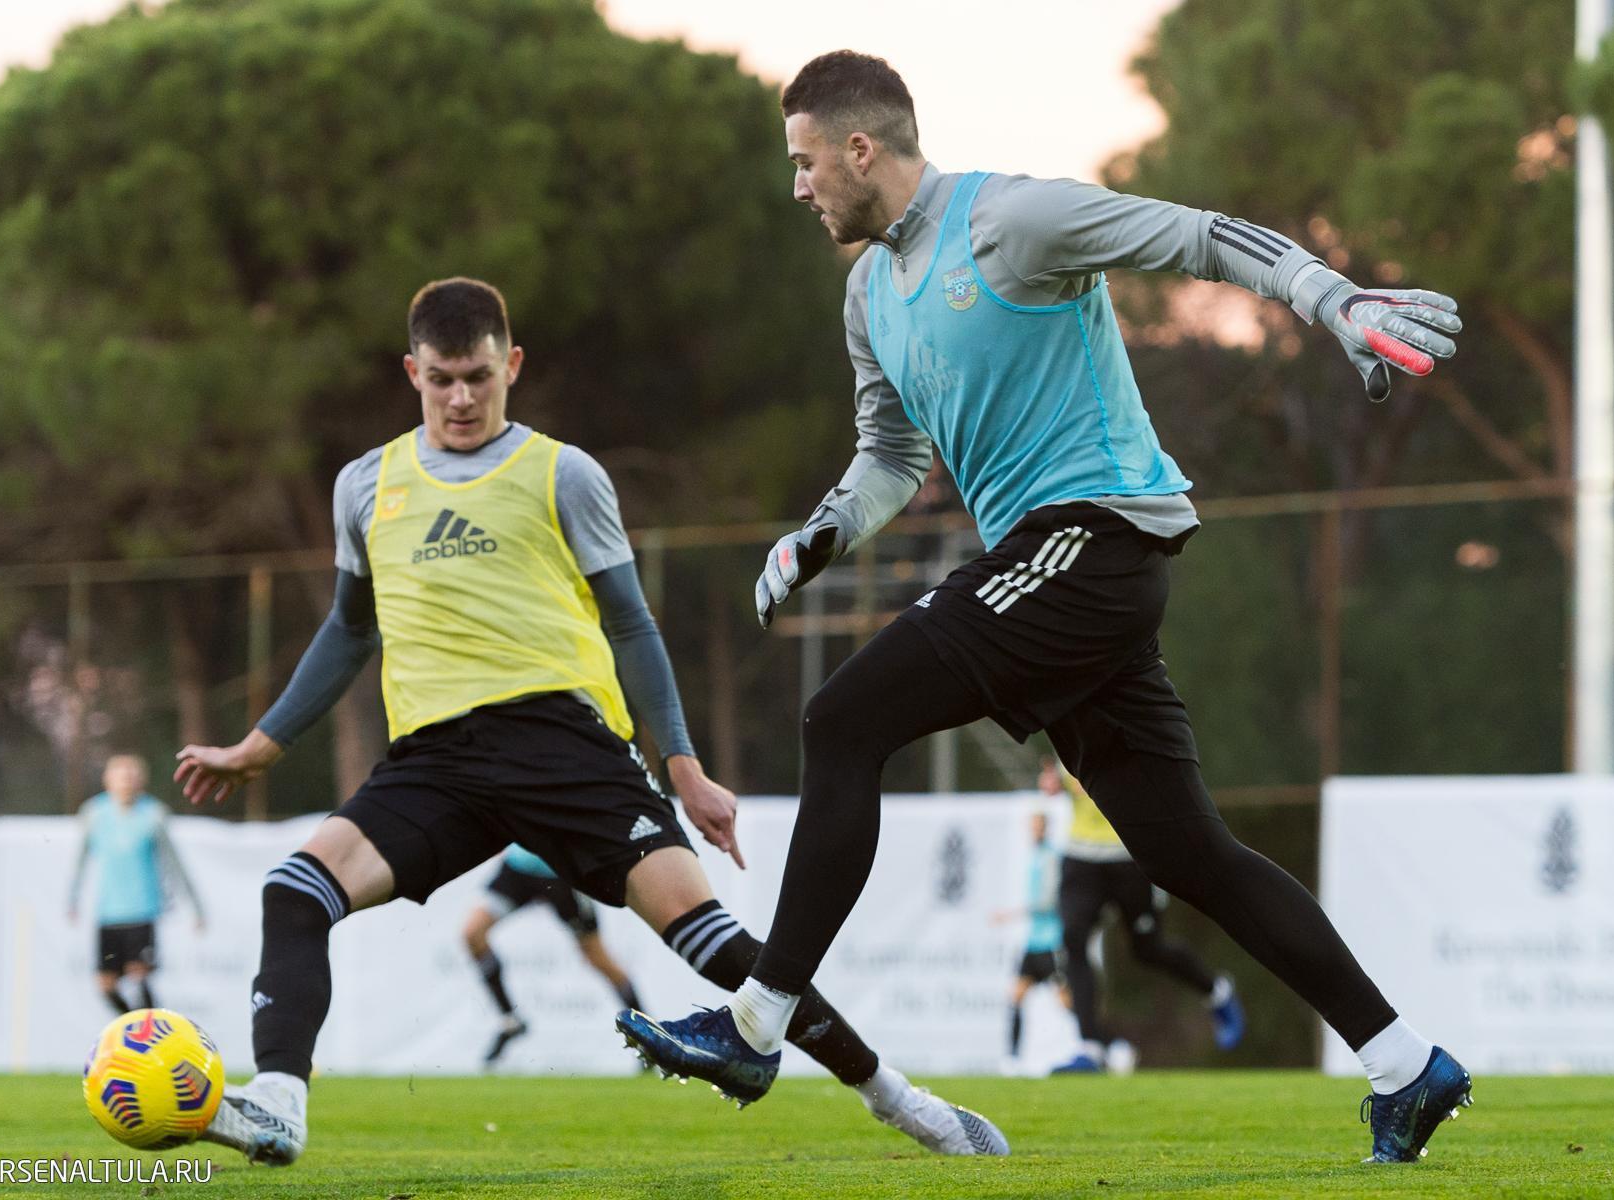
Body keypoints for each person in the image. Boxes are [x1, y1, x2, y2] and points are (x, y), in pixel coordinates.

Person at [622, 52, 1471, 1164]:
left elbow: (1198, 236)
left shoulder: (1010, 221)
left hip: (1095, 538)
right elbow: (891, 454)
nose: (798, 186)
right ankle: (1407, 1065)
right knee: (1188, 854)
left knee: (842, 719)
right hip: (1065, 572)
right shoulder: (868, 294)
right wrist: (818, 535)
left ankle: (754, 1026)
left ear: (860, 149)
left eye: (805, 161)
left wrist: (1334, 299)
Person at [173, 277, 1007, 1165]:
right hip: (436, 760)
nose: (461, 398)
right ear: (412, 372)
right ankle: (279, 1105)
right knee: (294, 891)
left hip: (565, 746)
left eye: (479, 377)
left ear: (512, 365)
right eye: (442, 379)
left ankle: (900, 1100)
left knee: (717, 946)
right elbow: (348, 630)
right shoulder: (364, 485)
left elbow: (632, 624)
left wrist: (682, 766)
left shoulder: (563, 473)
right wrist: (259, 745)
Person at [1040, 758, 1244, 1074]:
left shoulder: (1130, 734)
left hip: (1129, 857)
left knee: (1147, 948)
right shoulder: (1067, 732)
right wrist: (1055, 778)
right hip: (1081, 858)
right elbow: (1064, 769)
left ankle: (1217, 992)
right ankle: (1089, 1046)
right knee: (1073, 940)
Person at [464, 843, 645, 1067]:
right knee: (472, 934)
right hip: (518, 868)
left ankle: (647, 1037)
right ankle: (510, 1020)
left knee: (598, 958)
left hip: (564, 875)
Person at [67, 753, 205, 1014]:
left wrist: (196, 907)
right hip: (108, 914)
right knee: (106, 985)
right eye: (121, 776)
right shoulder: (94, 813)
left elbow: (174, 864)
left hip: (142, 912)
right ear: (108, 780)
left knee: (138, 978)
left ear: (142, 781)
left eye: (131, 776)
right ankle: (134, 1028)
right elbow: (80, 860)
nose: (126, 782)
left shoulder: (153, 814)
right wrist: (71, 899)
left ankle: (150, 1031)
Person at [990, 807, 1075, 1072]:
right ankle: (1012, 1059)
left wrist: (1010, 915)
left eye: (1038, 826)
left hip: (1051, 942)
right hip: (1033, 943)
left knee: (1067, 1001)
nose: (1034, 830)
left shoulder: (1050, 857)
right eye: (1031, 826)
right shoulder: (1035, 856)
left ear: (1045, 828)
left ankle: (1095, 1046)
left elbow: (1047, 902)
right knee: (1016, 996)